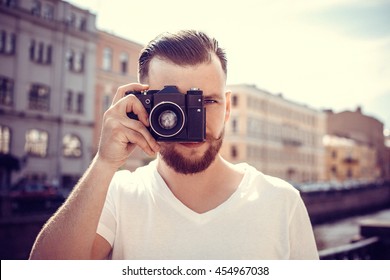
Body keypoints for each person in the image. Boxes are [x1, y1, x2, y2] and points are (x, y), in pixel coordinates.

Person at [29, 30, 319, 260]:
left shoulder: (282, 202)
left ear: (228, 108)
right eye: (174, 105)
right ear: (141, 105)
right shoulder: (119, 195)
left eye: (208, 101)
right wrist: (104, 163)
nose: (194, 119)